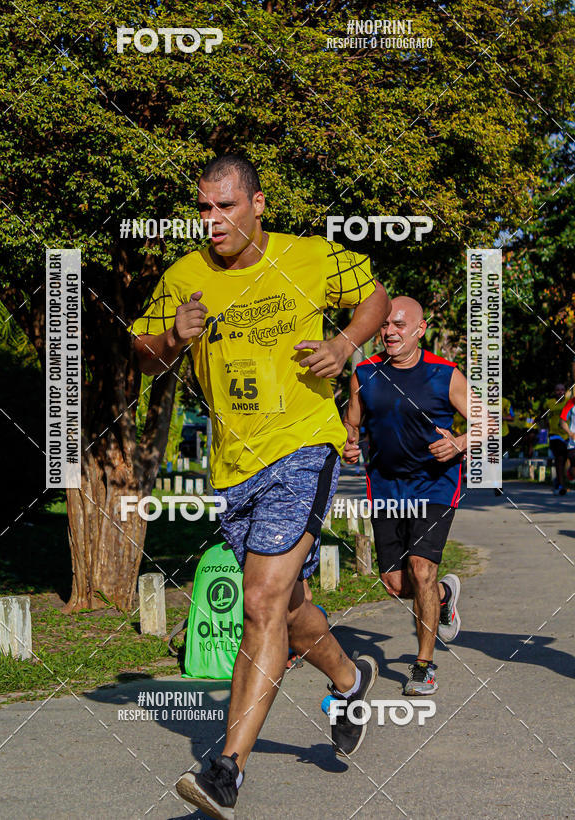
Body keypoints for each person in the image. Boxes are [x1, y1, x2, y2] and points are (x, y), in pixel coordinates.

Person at [131, 154, 391, 819]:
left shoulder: (310, 256)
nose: (211, 220)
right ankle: (347, 676)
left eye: (224, 206)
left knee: (260, 600)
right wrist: (170, 337)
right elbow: (143, 348)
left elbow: (375, 298)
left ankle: (226, 772)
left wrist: (347, 347)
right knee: (287, 604)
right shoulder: (185, 277)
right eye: (203, 207)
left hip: (303, 444)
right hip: (233, 466)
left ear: (258, 204)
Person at [343, 296, 467, 696]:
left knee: (421, 567)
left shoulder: (444, 374)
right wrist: (349, 443)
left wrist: (460, 443)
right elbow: (352, 422)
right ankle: (444, 597)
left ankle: (423, 665)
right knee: (398, 583)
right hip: (385, 486)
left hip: (434, 483)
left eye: (399, 325)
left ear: (420, 329)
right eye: (384, 325)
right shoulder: (364, 373)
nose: (390, 332)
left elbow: (487, 421)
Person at [544, 383, 570, 495]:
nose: (560, 392)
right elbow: (544, 418)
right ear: (554, 392)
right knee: (559, 459)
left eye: (562, 390)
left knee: (566, 460)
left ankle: (558, 481)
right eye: (557, 390)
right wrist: (549, 429)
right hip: (555, 435)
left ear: (565, 391)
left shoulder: (569, 403)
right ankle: (561, 486)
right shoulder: (549, 403)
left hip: (568, 435)